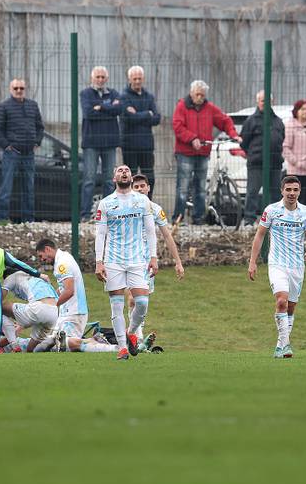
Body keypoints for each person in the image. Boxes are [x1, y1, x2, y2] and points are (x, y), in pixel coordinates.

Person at [247, 176, 306, 358]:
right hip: (277, 264)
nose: (292, 193)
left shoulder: (305, 211)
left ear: (299, 192)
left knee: (291, 308)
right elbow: (259, 235)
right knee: (281, 302)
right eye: (288, 190)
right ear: (282, 191)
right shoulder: (271, 211)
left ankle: (280, 345)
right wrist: (252, 262)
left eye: (295, 190)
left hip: (297, 266)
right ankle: (286, 345)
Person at [94, 164, 158, 360]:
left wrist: (153, 257)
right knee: (116, 305)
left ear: (130, 177)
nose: (124, 172)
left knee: (142, 303)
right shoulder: (105, 204)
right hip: (113, 261)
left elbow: (150, 230)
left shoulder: (142, 201)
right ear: (114, 178)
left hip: (138, 259)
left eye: (127, 170)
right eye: (120, 170)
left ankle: (131, 331)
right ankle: (122, 347)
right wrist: (99, 261)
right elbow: (100, 233)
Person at [171, 80, 241, 224]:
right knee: (183, 187)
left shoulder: (209, 108)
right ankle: (178, 218)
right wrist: (192, 139)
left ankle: (198, 218)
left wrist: (233, 133)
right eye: (197, 94)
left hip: (202, 153)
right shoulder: (182, 107)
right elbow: (177, 127)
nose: (200, 98)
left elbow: (224, 120)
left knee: (200, 188)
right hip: (185, 153)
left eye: (202, 95)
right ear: (191, 93)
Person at [131, 173, 184, 351]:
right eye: (136, 186)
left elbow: (167, 235)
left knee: (141, 301)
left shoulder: (155, 209)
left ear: (148, 188)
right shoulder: (125, 207)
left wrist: (178, 262)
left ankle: (136, 337)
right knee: (131, 299)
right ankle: (136, 338)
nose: (139, 189)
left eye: (142, 186)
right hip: (128, 259)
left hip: (147, 262)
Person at [0, 78, 44, 224]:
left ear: (25, 89)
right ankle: (1, 219)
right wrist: (7, 146)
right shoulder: (3, 107)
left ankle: (28, 219)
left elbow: (40, 127)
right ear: (11, 89)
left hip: (29, 153)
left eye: (21, 88)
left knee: (29, 188)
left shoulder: (33, 106)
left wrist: (37, 142)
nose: (19, 91)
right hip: (12, 153)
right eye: (16, 88)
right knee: (6, 187)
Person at [80, 66, 122, 220]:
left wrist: (101, 107)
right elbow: (88, 113)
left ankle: (108, 214)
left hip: (110, 142)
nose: (100, 80)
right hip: (91, 142)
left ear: (107, 78)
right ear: (92, 78)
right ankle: (85, 215)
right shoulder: (85, 94)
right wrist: (109, 108)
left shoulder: (114, 93)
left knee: (109, 181)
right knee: (89, 179)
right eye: (97, 77)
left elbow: (119, 109)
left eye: (103, 77)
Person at [240, 90, 285, 225]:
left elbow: (282, 139)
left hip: (275, 162)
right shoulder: (251, 121)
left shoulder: (278, 121)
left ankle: (275, 220)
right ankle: (249, 219)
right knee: (252, 192)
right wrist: (254, 154)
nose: (265, 104)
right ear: (257, 102)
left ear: (272, 103)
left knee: (275, 193)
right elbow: (244, 142)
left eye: (268, 101)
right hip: (256, 163)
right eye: (262, 101)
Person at [120, 65, 160, 195]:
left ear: (143, 79)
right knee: (130, 178)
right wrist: (147, 114)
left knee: (149, 177)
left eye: (139, 78)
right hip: (129, 145)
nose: (137, 81)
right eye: (135, 78)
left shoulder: (149, 96)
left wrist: (137, 115)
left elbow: (157, 118)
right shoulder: (124, 97)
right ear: (129, 79)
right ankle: (131, 205)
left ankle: (148, 203)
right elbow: (127, 118)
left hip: (146, 145)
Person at [0, 272, 59, 352]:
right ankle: (54, 342)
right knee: (30, 350)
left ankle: (14, 344)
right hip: (55, 313)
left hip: (39, 308)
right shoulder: (39, 279)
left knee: (0, 308)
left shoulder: (13, 275)